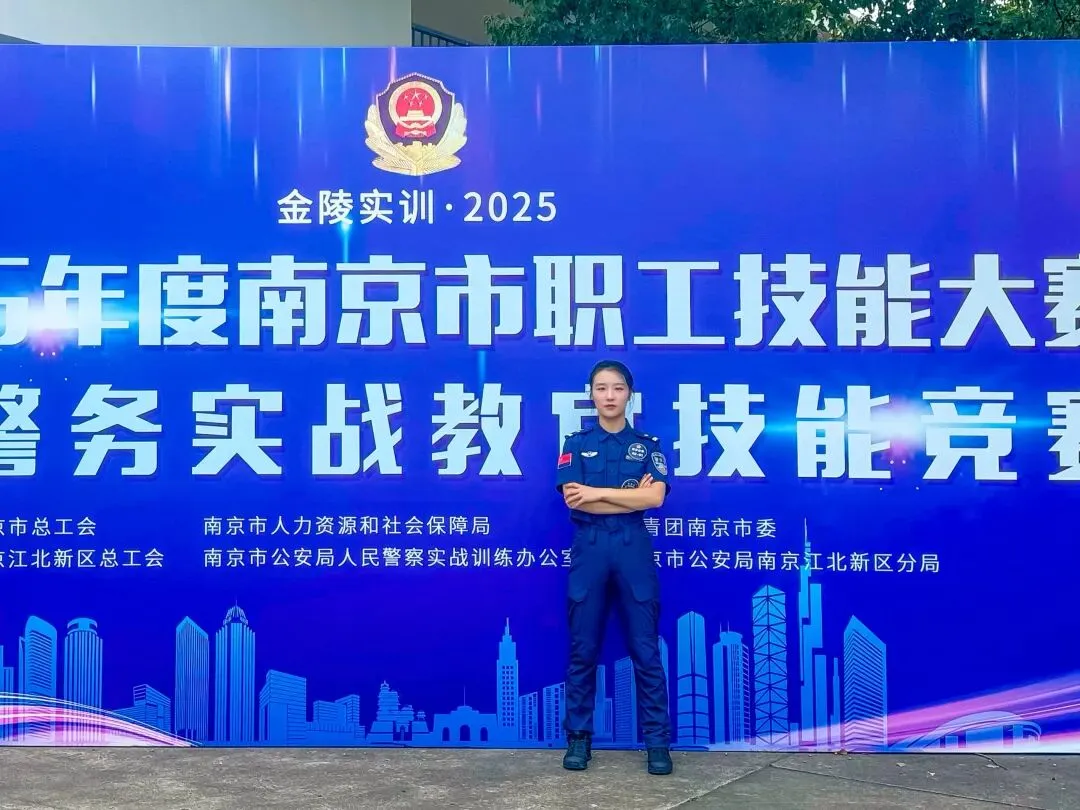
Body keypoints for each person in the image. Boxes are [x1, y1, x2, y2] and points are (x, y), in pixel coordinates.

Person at [555, 359, 674, 776]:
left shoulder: (647, 445)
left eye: (618, 388)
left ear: (629, 395)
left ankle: (657, 743)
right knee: (583, 648)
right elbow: (574, 499)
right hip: (589, 547)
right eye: (602, 388)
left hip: (632, 547)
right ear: (591, 394)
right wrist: (622, 496)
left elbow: (654, 498)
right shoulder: (575, 443)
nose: (609, 396)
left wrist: (595, 493)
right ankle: (579, 738)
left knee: (645, 648)